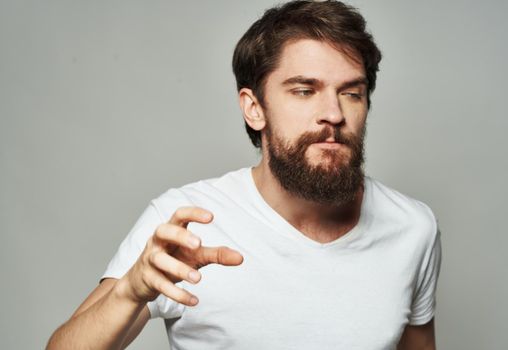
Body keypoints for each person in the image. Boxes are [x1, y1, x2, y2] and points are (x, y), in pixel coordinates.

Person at [47, 1, 441, 349]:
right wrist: (129, 292)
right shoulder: (185, 221)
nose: (334, 114)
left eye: (351, 93)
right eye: (305, 90)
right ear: (254, 108)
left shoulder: (412, 227)